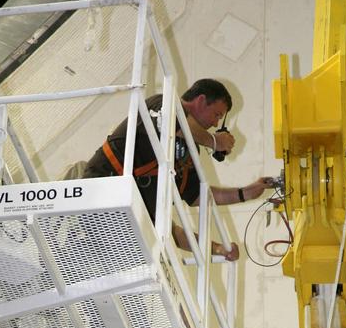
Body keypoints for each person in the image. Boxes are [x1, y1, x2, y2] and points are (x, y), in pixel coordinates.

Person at [81, 78, 271, 261]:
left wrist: (246, 193)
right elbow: (173, 122)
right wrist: (214, 141)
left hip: (128, 223)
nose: (215, 124)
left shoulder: (189, 153)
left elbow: (198, 197)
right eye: (217, 115)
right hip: (103, 191)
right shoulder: (162, 103)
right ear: (201, 100)